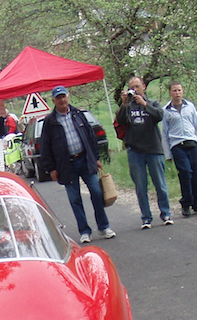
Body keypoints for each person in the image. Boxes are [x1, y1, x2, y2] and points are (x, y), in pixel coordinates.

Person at [40, 85, 116, 243]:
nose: (62, 100)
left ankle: (104, 227)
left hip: (85, 160)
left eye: (64, 96)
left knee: (96, 192)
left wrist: (96, 158)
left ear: (68, 97)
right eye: (58, 98)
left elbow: (91, 137)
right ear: (54, 100)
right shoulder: (50, 121)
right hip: (66, 165)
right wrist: (51, 169)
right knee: (75, 198)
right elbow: (45, 147)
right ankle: (84, 231)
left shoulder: (78, 114)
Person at [113, 77, 172, 229]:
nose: (135, 90)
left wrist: (144, 104)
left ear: (144, 87)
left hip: (153, 149)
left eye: (137, 87)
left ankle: (166, 214)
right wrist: (125, 103)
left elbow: (159, 116)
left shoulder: (152, 103)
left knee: (160, 184)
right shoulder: (128, 106)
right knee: (140, 186)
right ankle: (146, 218)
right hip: (135, 151)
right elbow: (120, 121)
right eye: (132, 88)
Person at [161, 81, 197, 217]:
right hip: (177, 146)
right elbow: (164, 134)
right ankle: (186, 203)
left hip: (192, 143)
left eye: (179, 90)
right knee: (185, 173)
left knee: (196, 174)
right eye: (174, 91)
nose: (177, 93)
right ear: (170, 93)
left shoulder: (190, 107)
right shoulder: (166, 110)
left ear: (183, 92)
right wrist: (167, 154)